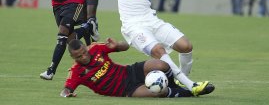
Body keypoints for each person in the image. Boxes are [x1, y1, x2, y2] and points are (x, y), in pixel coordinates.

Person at [60, 0, 219, 95]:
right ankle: (191, 85)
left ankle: (181, 80)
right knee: (159, 51)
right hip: (133, 27)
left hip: (152, 21)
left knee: (186, 46)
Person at [60, 39, 214, 97]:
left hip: (130, 71)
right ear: (73, 57)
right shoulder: (75, 72)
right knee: (157, 92)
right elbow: (66, 90)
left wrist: (117, 45)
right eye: (79, 56)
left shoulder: (95, 48)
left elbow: (125, 46)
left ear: (86, 48)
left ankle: (175, 84)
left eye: (84, 52)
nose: (84, 56)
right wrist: (67, 94)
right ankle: (190, 92)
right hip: (126, 90)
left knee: (161, 64)